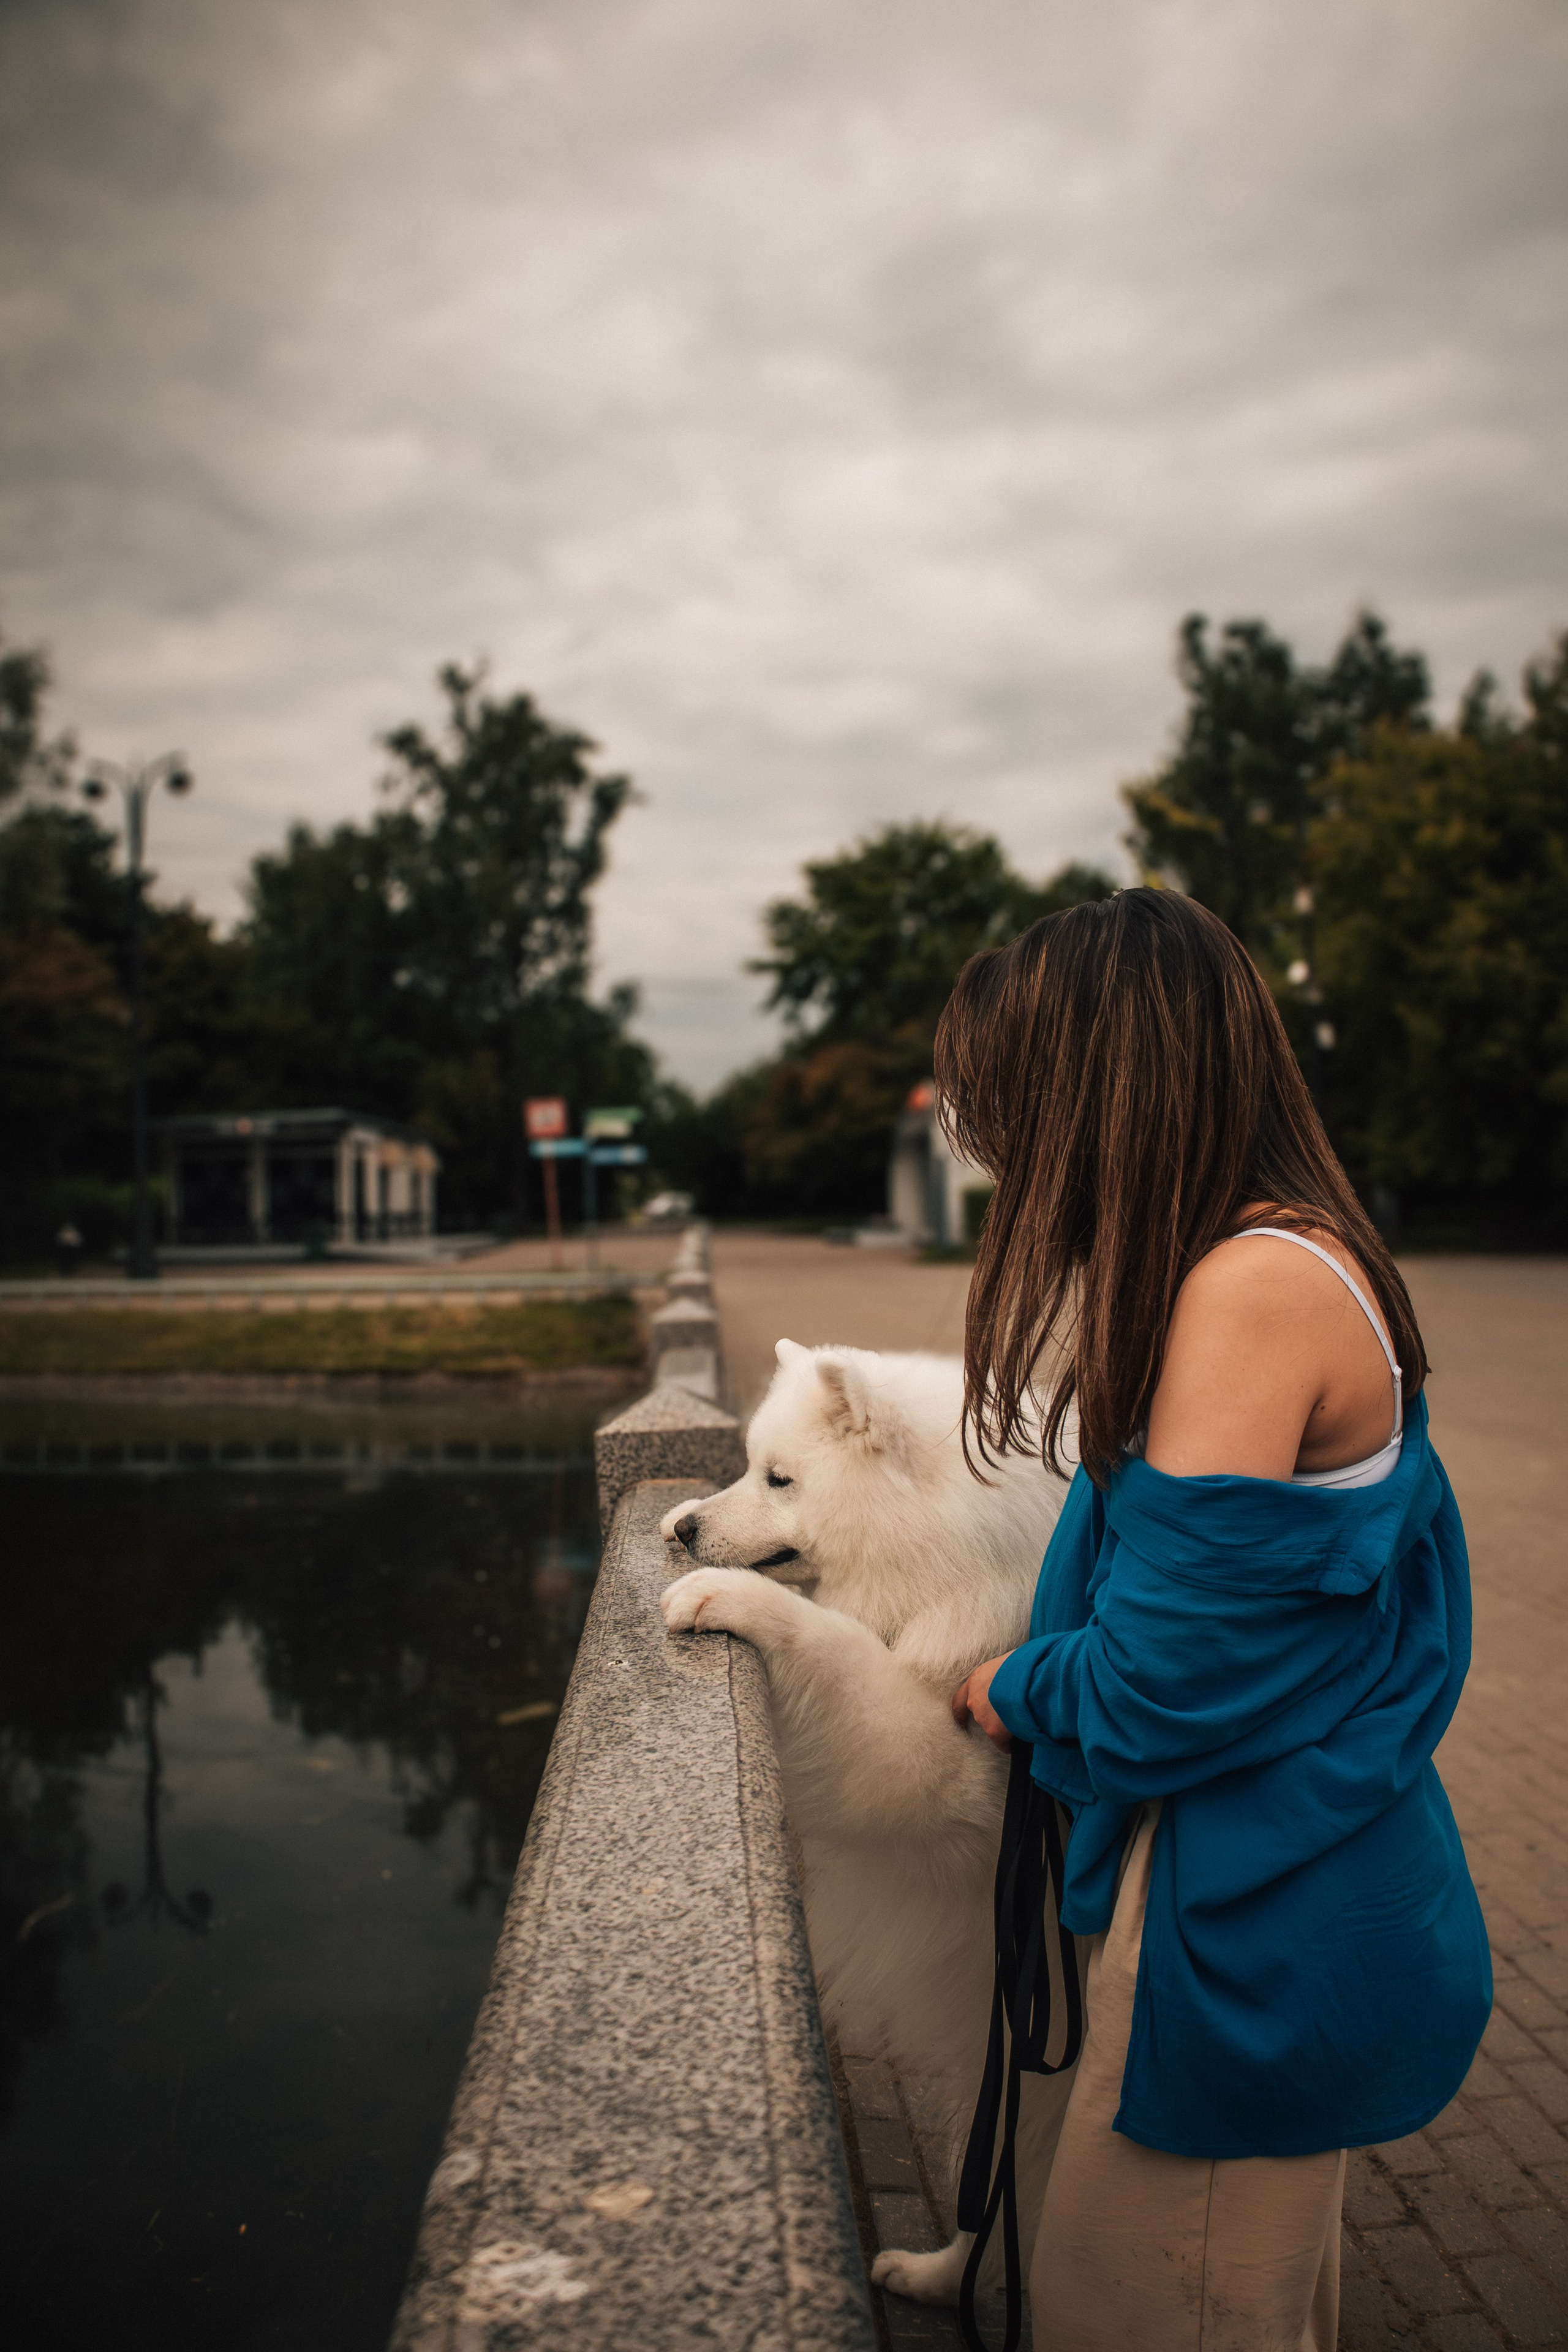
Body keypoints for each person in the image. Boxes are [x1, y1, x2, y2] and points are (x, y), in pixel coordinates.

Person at [940, 889, 1490, 2352]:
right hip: (1290, 1881)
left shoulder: (1245, 1289)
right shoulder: (1303, 1251)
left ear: (1098, 1093)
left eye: (1018, 1110)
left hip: (1247, 1924)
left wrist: (1005, 1685)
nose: (1006, 1159)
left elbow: (1154, 1686)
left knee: (1143, 2314)